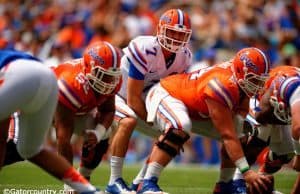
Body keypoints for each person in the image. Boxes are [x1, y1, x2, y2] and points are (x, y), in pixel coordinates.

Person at [132, 47, 274, 194]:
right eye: (253, 80)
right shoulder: (222, 84)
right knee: (180, 126)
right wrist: (246, 172)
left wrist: (240, 124)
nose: (257, 86)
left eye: (260, 80)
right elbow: (227, 135)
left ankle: (225, 185)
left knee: (241, 135)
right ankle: (146, 183)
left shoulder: (240, 81)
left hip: (195, 108)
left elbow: (239, 118)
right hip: (168, 93)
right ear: (239, 72)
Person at [106, 8, 193, 194]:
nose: (176, 37)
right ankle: (114, 181)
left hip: (141, 96)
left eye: (181, 34)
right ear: (160, 29)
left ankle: (140, 182)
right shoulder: (144, 48)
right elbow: (133, 99)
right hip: (115, 93)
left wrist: (169, 130)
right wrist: (157, 128)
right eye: (172, 32)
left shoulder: (184, 57)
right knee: (128, 121)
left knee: (171, 130)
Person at [0, 49, 100, 194]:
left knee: (16, 147)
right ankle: (89, 191)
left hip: (18, 76)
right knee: (31, 150)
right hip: (48, 77)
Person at [224, 65, 300, 193]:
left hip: (283, 108)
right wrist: (299, 156)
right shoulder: (290, 86)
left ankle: (261, 179)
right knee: (258, 130)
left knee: (286, 151)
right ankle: (236, 180)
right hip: (259, 104)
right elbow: (261, 114)